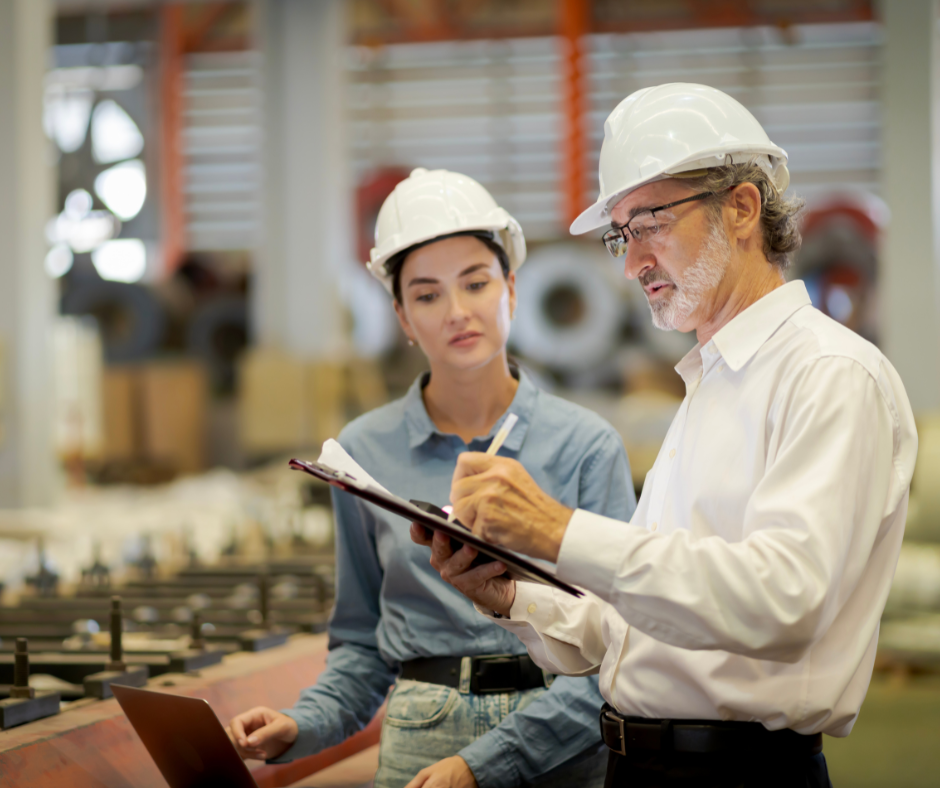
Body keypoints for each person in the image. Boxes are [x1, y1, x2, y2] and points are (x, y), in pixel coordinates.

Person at [417, 84, 918, 788]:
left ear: (741, 207)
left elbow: (783, 600)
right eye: (622, 234)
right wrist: (512, 595)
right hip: (639, 764)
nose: (630, 263)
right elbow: (635, 627)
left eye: (648, 222)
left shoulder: (828, 375)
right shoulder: (711, 383)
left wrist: (559, 531)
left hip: (739, 773)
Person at [226, 167, 636, 788]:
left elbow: (621, 652)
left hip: (561, 746)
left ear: (512, 290)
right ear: (401, 317)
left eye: (476, 283)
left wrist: (483, 767)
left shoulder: (586, 447)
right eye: (426, 294)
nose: (457, 312)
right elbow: (363, 647)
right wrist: (300, 724)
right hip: (420, 744)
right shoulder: (362, 453)